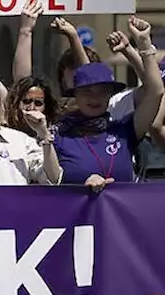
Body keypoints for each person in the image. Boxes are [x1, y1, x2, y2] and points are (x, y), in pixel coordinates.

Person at [52, 31, 164, 192]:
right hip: (77, 216)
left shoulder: (124, 130)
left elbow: (156, 91)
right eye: (87, 91)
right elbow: (47, 182)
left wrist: (144, 43)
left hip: (121, 216)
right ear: (75, 95)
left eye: (102, 91)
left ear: (110, 95)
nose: (94, 98)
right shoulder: (58, 135)